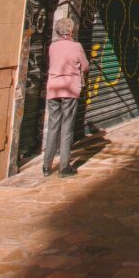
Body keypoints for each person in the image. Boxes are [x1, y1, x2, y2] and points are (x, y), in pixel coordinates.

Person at [43, 17, 89, 179]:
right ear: (71, 30)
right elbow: (85, 66)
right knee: (67, 128)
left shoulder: (53, 47)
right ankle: (64, 167)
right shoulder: (76, 46)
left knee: (53, 126)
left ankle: (46, 166)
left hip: (53, 89)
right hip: (69, 89)